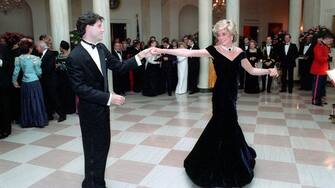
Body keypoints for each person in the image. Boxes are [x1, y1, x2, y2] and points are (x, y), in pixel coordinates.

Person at [152, 19, 278, 187]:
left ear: (232, 35)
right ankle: (213, 163)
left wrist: (269, 70)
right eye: (218, 35)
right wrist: (161, 49)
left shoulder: (240, 51)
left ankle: (233, 160)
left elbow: (252, 70)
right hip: (220, 94)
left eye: (223, 34)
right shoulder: (213, 50)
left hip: (232, 94)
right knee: (222, 124)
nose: (220, 37)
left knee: (230, 124)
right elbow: (189, 53)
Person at [67, 12, 152, 188]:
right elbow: (80, 88)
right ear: (88, 28)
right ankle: (91, 184)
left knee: (102, 148)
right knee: (92, 151)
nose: (103, 29)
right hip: (90, 111)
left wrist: (140, 56)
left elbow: (119, 67)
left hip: (102, 110)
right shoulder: (75, 56)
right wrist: (108, 97)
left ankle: (98, 182)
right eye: (99, 25)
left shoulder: (101, 48)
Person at [12, 38, 48, 128]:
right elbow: (39, 72)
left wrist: (14, 81)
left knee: (26, 101)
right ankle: (39, 121)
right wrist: (38, 75)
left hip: (25, 82)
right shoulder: (35, 58)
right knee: (36, 101)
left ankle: (28, 121)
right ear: (30, 49)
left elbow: (16, 72)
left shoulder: (18, 59)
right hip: (35, 81)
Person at [310, 32, 334, 106]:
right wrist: (328, 58)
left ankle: (319, 99)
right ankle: (315, 100)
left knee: (322, 87)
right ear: (327, 39)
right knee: (317, 86)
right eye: (330, 40)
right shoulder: (319, 46)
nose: (331, 41)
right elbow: (319, 58)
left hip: (323, 70)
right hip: (319, 70)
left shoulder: (325, 46)